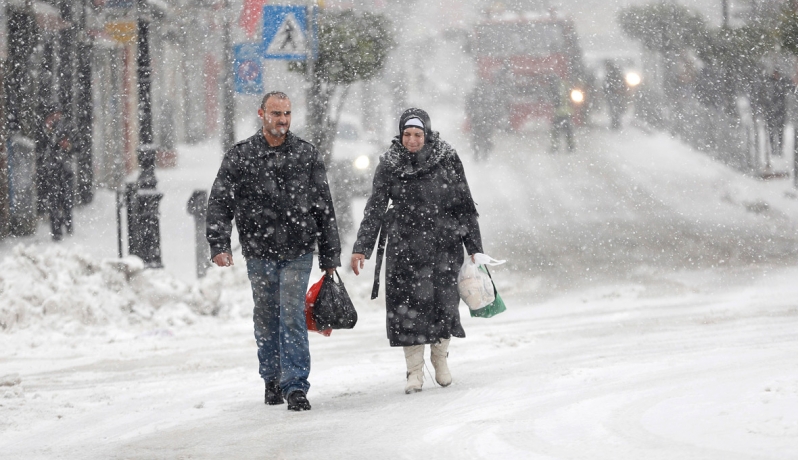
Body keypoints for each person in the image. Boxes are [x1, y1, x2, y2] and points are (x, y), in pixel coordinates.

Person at [206, 91, 341, 412]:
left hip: (298, 249)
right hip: (258, 250)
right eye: (276, 113)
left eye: (287, 114)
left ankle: (295, 385)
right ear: (261, 114)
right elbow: (220, 201)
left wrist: (329, 255)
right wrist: (219, 244)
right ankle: (271, 377)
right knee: (266, 316)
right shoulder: (241, 156)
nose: (282, 119)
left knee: (292, 314)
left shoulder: (306, 155)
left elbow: (324, 206)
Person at [350, 108, 483, 394]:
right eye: (407, 135)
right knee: (407, 310)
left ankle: (440, 359)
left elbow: (464, 204)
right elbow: (374, 208)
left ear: (427, 134)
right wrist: (362, 247)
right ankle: (413, 371)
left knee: (444, 305)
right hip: (404, 247)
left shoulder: (446, 158)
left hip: (443, 245)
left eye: (417, 135)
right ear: (400, 135)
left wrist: (475, 248)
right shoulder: (389, 163)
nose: (412, 140)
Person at [41, 106, 74, 241]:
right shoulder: (45, 130)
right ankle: (56, 231)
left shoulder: (64, 127)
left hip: (63, 171)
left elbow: (71, 145)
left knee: (65, 200)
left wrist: (66, 146)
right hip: (52, 172)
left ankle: (67, 224)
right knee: (54, 202)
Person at [550, 77, 575, 152]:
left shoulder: (556, 86)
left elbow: (554, 99)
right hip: (566, 113)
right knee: (567, 131)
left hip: (559, 113)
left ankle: (555, 146)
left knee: (556, 130)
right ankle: (570, 146)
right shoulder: (568, 86)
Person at [603, 60, 627, 130]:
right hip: (615, 94)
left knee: (614, 109)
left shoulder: (611, 74)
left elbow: (606, 85)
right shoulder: (615, 73)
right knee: (615, 109)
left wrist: (608, 92)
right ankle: (616, 122)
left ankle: (615, 123)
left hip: (613, 94)